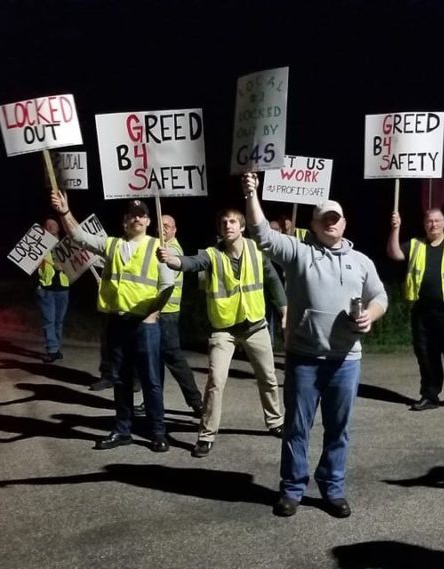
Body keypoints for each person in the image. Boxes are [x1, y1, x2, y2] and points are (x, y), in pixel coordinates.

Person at [242, 173, 388, 519]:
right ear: (314, 224)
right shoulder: (299, 252)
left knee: (339, 430)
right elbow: (262, 234)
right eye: (324, 219)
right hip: (305, 359)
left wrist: (370, 314)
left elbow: (380, 295)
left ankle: (333, 488)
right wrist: (251, 194)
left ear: (343, 223)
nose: (330, 224)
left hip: (346, 360)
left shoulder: (361, 261)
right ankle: (292, 488)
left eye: (335, 219)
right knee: (296, 427)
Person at [158, 208, 287, 458]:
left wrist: (284, 312)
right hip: (224, 329)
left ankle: (275, 422)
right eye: (224, 222)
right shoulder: (212, 254)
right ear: (220, 229)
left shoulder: (256, 250)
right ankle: (206, 435)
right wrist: (172, 260)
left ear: (241, 227)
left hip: (255, 326)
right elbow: (190, 263)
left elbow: (272, 281)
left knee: (269, 377)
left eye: (233, 222)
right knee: (215, 381)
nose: (228, 225)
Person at [52, 193, 173, 453]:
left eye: (141, 215)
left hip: (145, 325)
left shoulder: (157, 247)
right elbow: (78, 237)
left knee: (151, 381)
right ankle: (122, 430)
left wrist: (154, 311)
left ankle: (158, 432)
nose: (137, 218)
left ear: (149, 221)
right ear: (124, 221)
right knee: (121, 380)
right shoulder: (113, 245)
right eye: (132, 214)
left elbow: (167, 285)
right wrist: (65, 212)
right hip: (118, 322)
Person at [387, 208, 444, 411]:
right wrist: (396, 228)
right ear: (424, 224)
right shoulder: (416, 245)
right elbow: (394, 253)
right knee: (426, 354)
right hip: (422, 310)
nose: (433, 225)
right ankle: (430, 395)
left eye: (437, 221)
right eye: (429, 221)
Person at [157, 214, 204, 417]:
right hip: (156, 312)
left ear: (174, 230)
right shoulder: (158, 247)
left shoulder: (171, 249)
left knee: (174, 358)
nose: (164, 229)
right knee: (154, 359)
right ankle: (154, 401)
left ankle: (196, 402)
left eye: (167, 226)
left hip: (166, 313)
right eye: (160, 226)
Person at [36, 215, 70, 363]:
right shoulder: (38, 246)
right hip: (46, 287)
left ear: (59, 228)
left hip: (63, 288)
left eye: (53, 225)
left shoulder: (67, 245)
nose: (50, 227)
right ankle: (52, 349)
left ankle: (56, 347)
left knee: (58, 321)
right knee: (49, 320)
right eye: (47, 225)